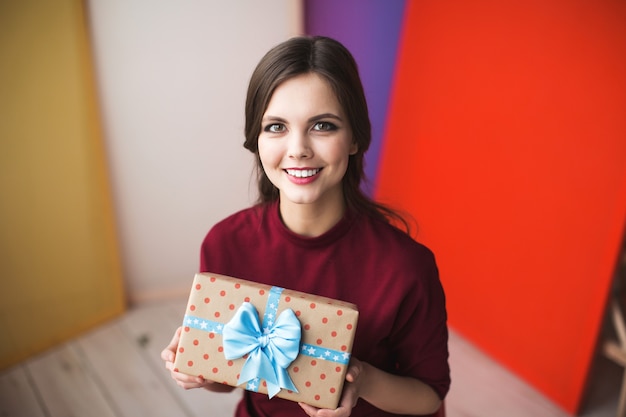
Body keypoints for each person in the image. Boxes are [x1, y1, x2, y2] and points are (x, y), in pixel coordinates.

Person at [161, 35, 450, 417]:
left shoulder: (407, 266)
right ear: (256, 139)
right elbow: (234, 376)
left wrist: (362, 380)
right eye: (276, 127)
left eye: (323, 125)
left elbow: (430, 395)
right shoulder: (225, 243)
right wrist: (199, 370)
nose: (298, 148)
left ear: (354, 139)